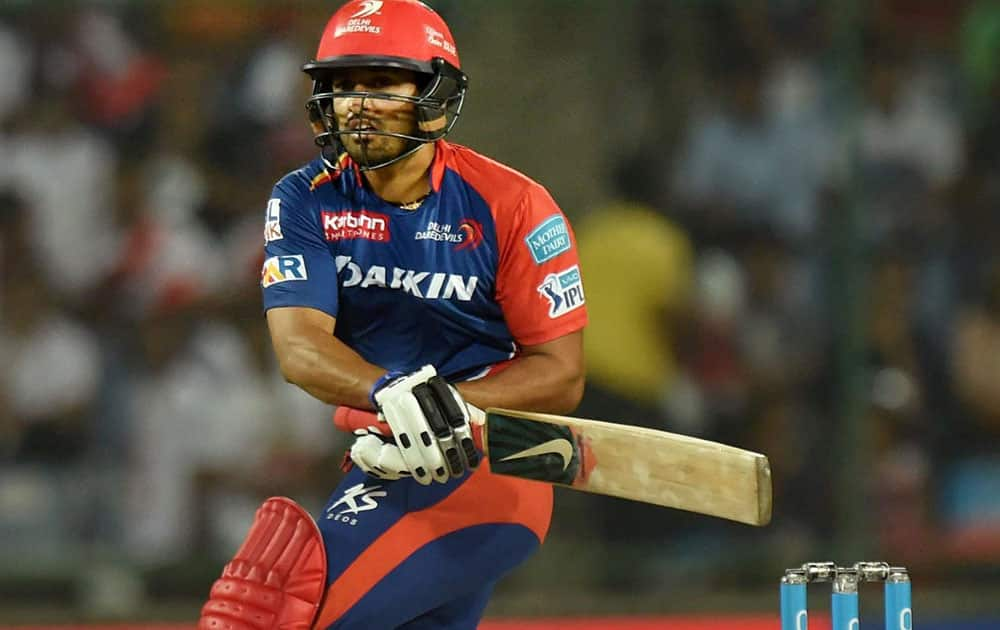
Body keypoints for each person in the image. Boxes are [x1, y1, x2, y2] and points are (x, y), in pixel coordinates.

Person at [198, 1, 587, 628]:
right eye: (343, 84)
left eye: (380, 82)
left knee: (261, 616)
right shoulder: (304, 198)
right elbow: (300, 350)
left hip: (485, 472)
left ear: (433, 92)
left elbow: (562, 373)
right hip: (380, 457)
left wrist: (441, 408)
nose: (356, 101)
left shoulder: (514, 204)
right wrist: (393, 396)